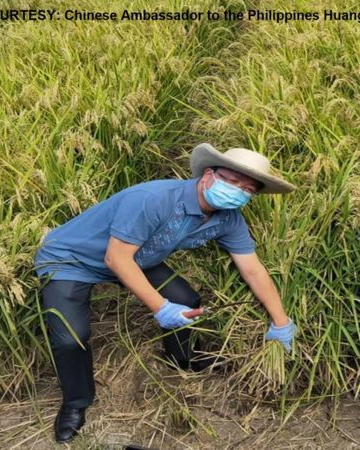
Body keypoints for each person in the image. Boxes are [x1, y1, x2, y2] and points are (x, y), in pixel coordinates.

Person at [34, 143, 298, 443]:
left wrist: (280, 322)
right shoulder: (154, 199)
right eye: (232, 181)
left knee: (186, 300)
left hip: (140, 256)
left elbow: (252, 269)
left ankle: (182, 358)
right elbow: (115, 259)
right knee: (71, 338)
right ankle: (75, 402)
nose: (238, 190)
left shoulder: (228, 218)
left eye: (248, 188)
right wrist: (161, 307)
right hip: (74, 258)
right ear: (209, 174)